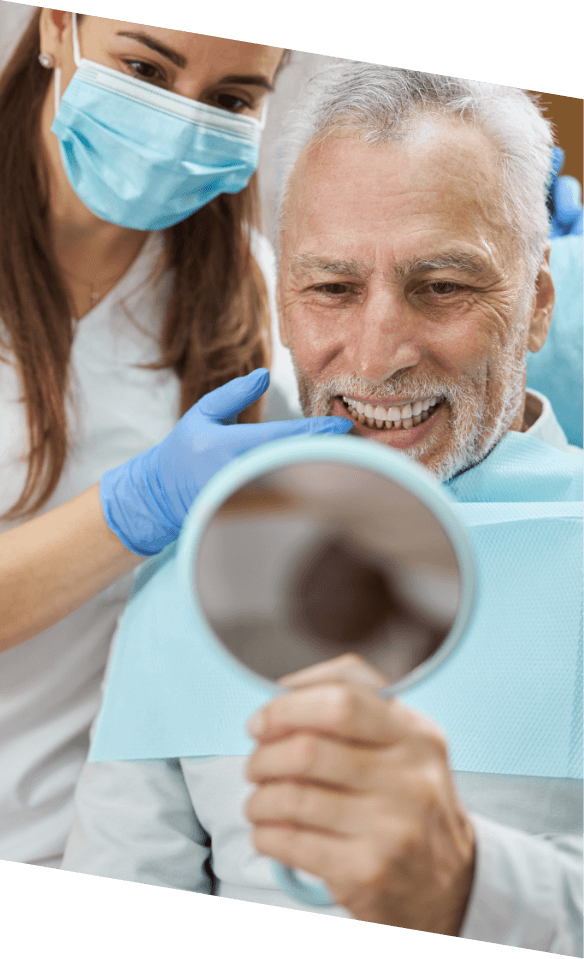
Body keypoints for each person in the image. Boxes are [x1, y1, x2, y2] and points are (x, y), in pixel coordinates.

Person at [59, 65, 583, 950]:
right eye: (332, 289)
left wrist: (467, 883)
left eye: (443, 286)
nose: (376, 355)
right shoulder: (191, 579)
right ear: (283, 302)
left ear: (535, 304)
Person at [0, 12, 352, 870]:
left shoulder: (251, 295)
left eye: (231, 97)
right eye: (147, 71)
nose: (182, 122)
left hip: (109, 839)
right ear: (56, 27)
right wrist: (138, 505)